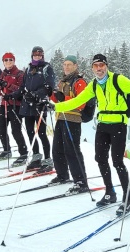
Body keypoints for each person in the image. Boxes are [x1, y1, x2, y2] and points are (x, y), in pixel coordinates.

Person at [52, 54, 130, 214]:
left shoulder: (118, 80)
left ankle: (127, 198)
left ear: (106, 66)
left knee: (118, 162)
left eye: (101, 65)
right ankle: (110, 192)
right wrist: (55, 107)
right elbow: (77, 101)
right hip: (102, 125)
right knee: (100, 159)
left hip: (118, 124)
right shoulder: (94, 85)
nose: (99, 69)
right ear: (92, 68)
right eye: (96, 66)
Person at [7, 46, 55, 171]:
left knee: (42, 133)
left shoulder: (47, 68)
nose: (37, 57)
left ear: (43, 56)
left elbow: (49, 86)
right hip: (27, 105)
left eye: (39, 55)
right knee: (30, 133)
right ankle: (36, 157)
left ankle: (48, 160)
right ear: (32, 56)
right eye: (35, 55)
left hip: (39, 105)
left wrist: (36, 94)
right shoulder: (28, 68)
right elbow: (23, 87)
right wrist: (12, 95)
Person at [49, 55, 90, 193]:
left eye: (69, 64)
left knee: (72, 150)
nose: (66, 67)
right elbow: (58, 100)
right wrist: (51, 93)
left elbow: (81, 103)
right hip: (61, 118)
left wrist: (64, 98)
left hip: (73, 120)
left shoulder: (79, 82)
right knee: (57, 149)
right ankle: (62, 175)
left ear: (75, 66)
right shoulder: (63, 81)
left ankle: (81, 181)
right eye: (64, 64)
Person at [0, 52, 28, 162]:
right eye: (6, 60)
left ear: (14, 61)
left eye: (10, 59)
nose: (8, 62)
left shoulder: (19, 74)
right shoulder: (3, 74)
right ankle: (6, 150)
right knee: (0, 129)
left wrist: (7, 85)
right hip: (4, 105)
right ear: (3, 62)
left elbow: (20, 90)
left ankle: (23, 153)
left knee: (16, 131)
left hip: (15, 105)